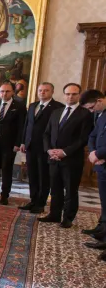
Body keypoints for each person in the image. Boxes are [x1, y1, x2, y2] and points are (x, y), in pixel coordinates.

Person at [39, 83, 93, 228]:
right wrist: (49, 150)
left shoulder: (85, 114)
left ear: (79, 95)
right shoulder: (56, 112)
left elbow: (83, 139)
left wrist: (64, 152)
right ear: (64, 95)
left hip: (71, 159)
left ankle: (68, 218)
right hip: (53, 158)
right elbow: (46, 134)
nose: (70, 97)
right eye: (68, 94)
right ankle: (54, 214)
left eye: (74, 94)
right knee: (55, 189)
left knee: (70, 190)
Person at [19, 83, 64, 213]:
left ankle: (40, 203)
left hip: (46, 147)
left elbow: (56, 129)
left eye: (46, 90)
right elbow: (27, 125)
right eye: (40, 90)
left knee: (43, 176)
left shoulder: (58, 107)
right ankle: (33, 200)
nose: (42, 93)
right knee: (32, 175)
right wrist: (23, 142)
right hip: (31, 146)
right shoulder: (33, 106)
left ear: (52, 92)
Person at [0, 81, 27, 205]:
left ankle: (4, 196)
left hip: (10, 144)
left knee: (7, 170)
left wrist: (18, 143)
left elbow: (21, 126)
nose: (4, 94)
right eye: (2, 91)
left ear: (12, 92)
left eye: (7, 91)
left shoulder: (19, 106)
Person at [85, 96, 106, 261]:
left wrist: (99, 154)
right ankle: (104, 237)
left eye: (92, 107)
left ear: (99, 100)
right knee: (105, 204)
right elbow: (92, 135)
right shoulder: (102, 115)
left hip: (103, 158)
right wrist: (93, 152)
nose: (92, 111)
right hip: (101, 165)